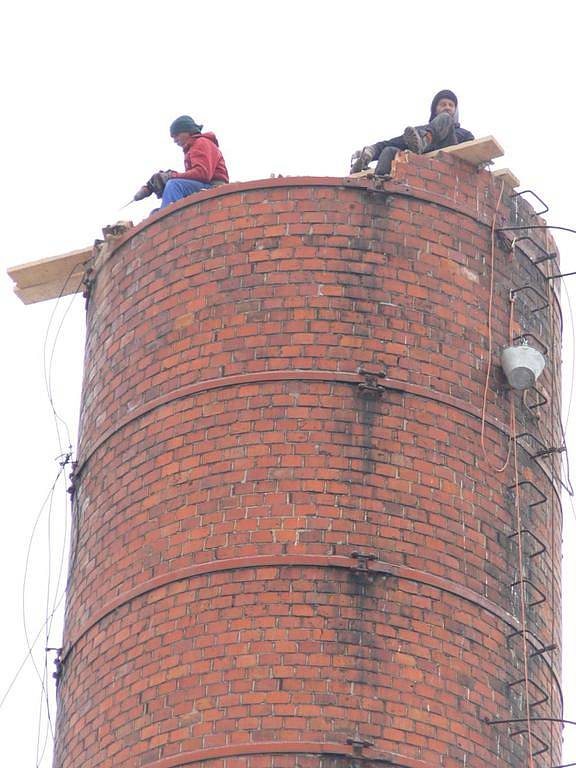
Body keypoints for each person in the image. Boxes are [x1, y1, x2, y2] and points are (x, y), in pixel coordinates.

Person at [350, 90, 474, 176]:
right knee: (389, 151)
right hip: (425, 167)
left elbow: (472, 156)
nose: (447, 107)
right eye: (443, 104)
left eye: (451, 105)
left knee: (446, 118)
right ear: (435, 109)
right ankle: (379, 186)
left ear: (455, 110)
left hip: (449, 163)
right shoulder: (419, 131)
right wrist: (370, 151)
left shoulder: (464, 134)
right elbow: (396, 142)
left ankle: (426, 140)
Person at [160, 115, 229, 208]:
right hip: (205, 185)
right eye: (173, 137)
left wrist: (172, 176)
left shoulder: (201, 143)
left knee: (174, 185)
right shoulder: (192, 147)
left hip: (213, 186)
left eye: (176, 135)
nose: (175, 140)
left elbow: (202, 173)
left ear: (187, 131)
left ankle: (172, 219)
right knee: (155, 212)